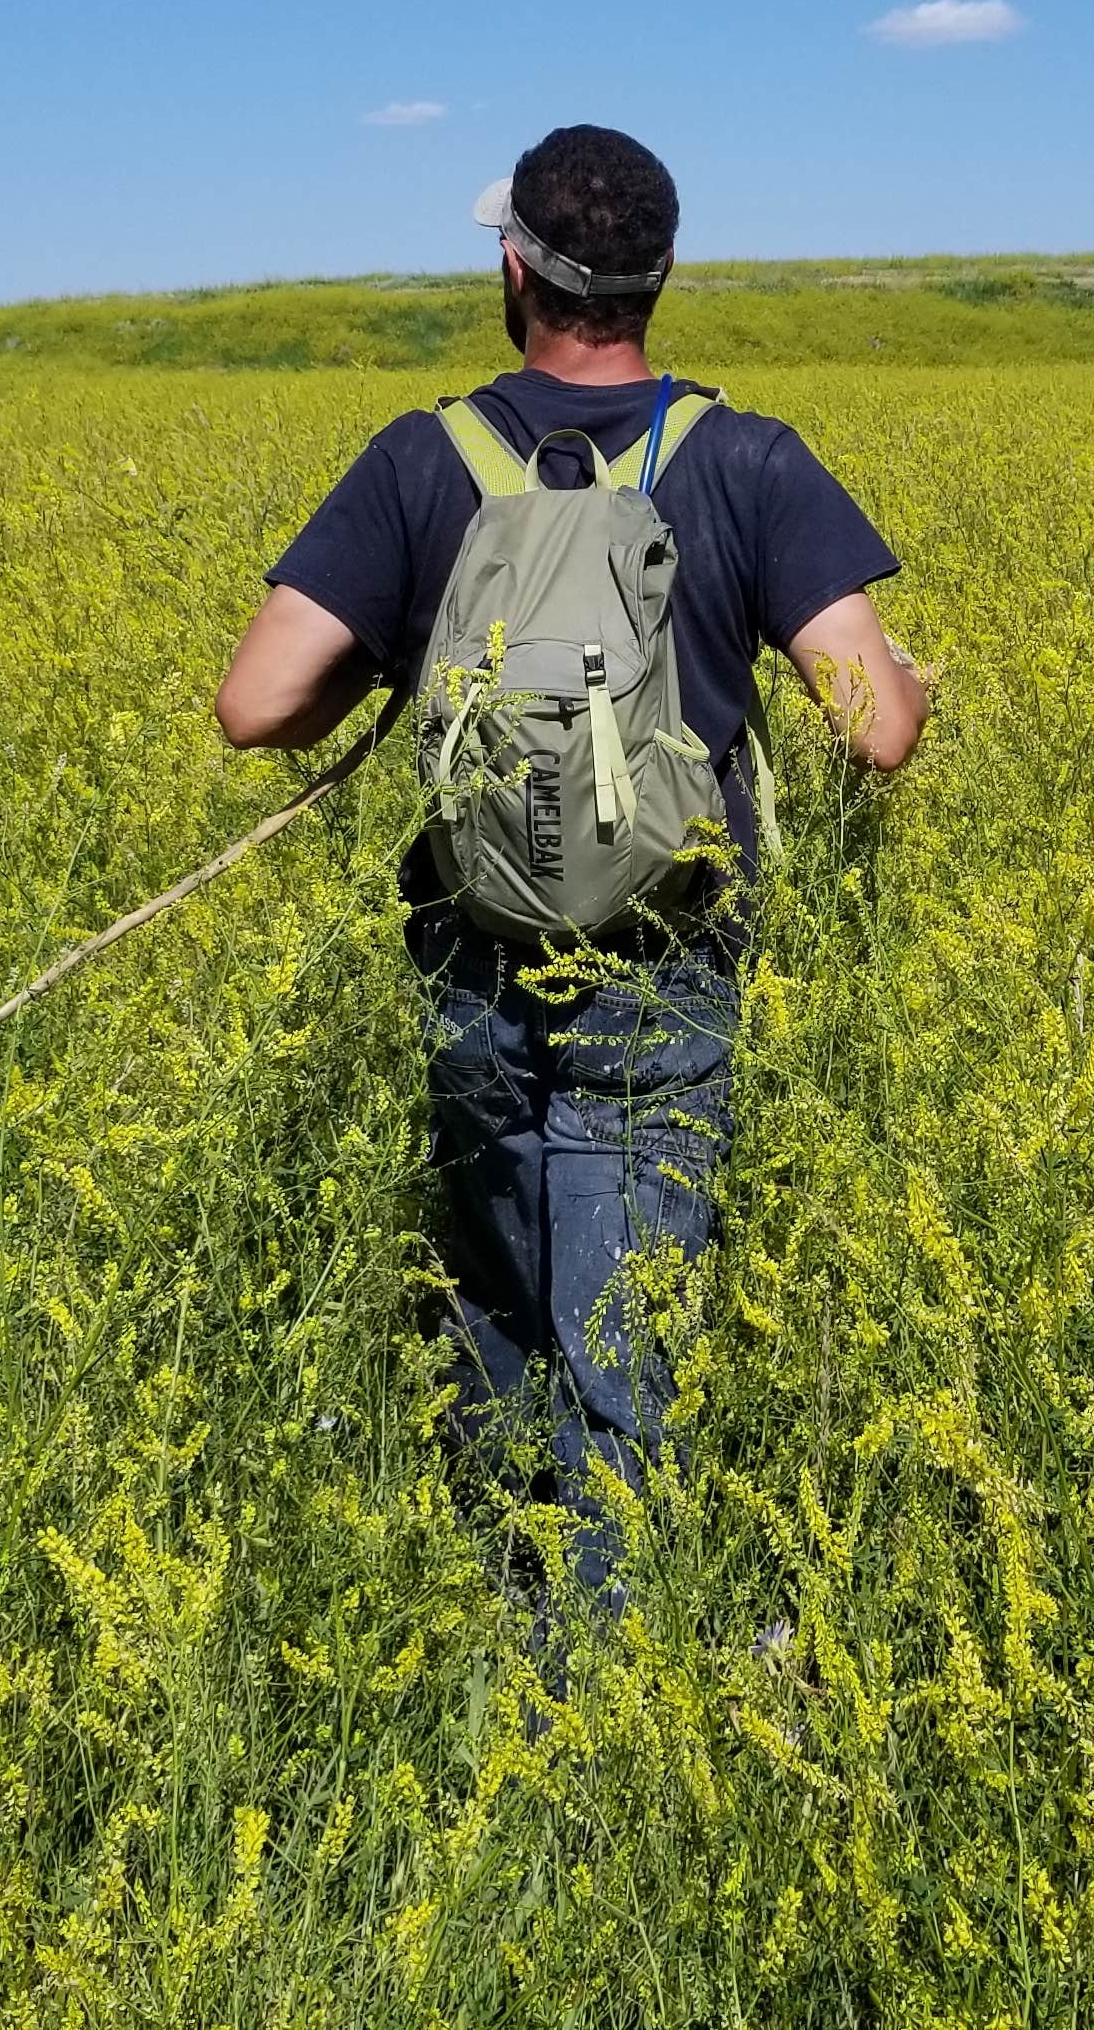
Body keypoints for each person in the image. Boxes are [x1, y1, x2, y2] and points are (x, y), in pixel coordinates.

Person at [214, 124, 926, 1575]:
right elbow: (878, 728)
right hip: (665, 962)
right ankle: (605, 1670)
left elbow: (257, 706)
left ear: (513, 267)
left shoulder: (429, 458)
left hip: (478, 952)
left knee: (496, 1291)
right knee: (629, 1319)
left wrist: (406, 660)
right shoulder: (742, 456)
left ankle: (502, 1618)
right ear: (662, 278)